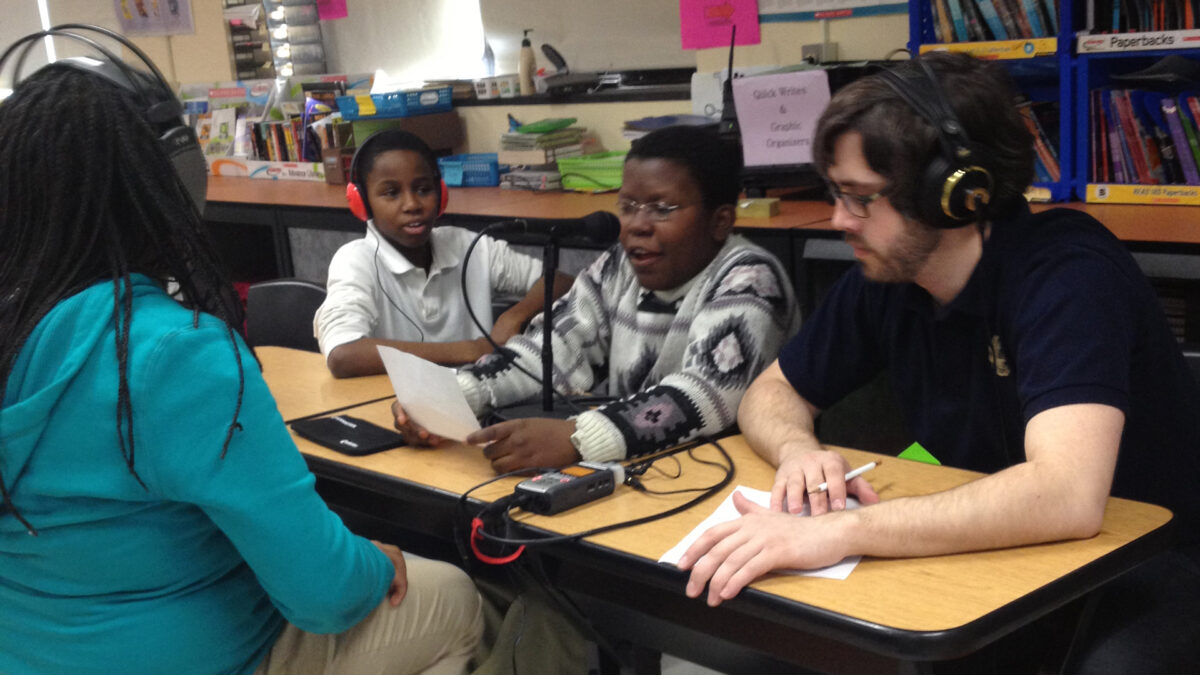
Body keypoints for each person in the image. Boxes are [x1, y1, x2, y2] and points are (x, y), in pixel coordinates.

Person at [677, 53, 1200, 672]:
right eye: (837, 194)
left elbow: (1066, 495)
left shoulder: (1068, 275)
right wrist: (798, 451)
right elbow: (770, 393)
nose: (840, 219)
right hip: (988, 553)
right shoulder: (889, 276)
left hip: (1142, 562)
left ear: (956, 195)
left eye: (862, 198)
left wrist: (836, 531)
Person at [0, 36, 482, 675]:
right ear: (171, 181)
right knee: (450, 598)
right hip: (205, 654)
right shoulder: (175, 355)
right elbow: (327, 596)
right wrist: (368, 562)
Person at [394, 125, 801, 472]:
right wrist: (453, 396)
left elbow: (708, 393)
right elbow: (551, 350)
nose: (637, 226)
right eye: (628, 206)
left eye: (662, 209)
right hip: (645, 467)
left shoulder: (750, 279)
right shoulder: (618, 268)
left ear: (720, 221)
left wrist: (577, 438)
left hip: (725, 479)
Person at [314, 129, 572, 378]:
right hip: (396, 406)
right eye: (391, 193)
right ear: (362, 203)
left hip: (477, 399)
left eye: (423, 189)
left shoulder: (469, 245)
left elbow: (560, 281)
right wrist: (474, 349)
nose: (412, 204)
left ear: (441, 194)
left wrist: (514, 315)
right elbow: (342, 355)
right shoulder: (355, 261)